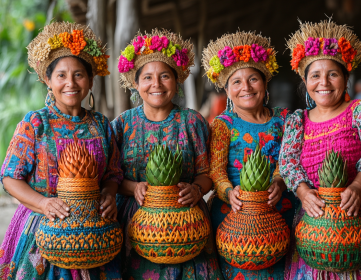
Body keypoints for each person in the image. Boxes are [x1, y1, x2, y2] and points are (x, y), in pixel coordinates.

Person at [0, 22, 122, 279]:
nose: (70, 83)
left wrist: (109, 195)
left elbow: (113, 173)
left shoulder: (101, 124)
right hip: (42, 229)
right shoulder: (36, 124)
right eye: (61, 75)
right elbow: (10, 177)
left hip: (94, 232)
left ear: (90, 80)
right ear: (48, 79)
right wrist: (43, 203)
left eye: (79, 74)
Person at [279, 19, 361, 279]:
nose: (324, 82)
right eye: (315, 75)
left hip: (358, 222)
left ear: (345, 78)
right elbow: (288, 164)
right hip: (313, 230)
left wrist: (357, 187)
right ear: (306, 82)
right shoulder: (298, 121)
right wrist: (304, 193)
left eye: (332, 74)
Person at [112, 29, 222, 279]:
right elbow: (110, 178)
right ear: (136, 83)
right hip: (135, 220)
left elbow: (207, 174)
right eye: (148, 77)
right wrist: (133, 187)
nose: (156, 84)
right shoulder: (121, 125)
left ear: (177, 80)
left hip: (188, 222)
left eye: (165, 76)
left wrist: (196, 189)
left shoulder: (192, 122)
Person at [202, 31, 298, 279]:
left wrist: (278, 180)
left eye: (253, 79)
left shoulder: (284, 119)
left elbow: (288, 158)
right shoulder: (223, 124)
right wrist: (227, 192)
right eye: (236, 82)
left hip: (279, 208)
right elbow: (216, 170)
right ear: (227, 89)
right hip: (234, 213)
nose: (246, 87)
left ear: (265, 83)